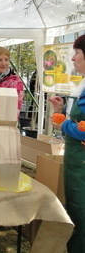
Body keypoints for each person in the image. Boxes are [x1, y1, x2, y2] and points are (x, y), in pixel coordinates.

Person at [49, 34, 85, 253]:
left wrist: (63, 126)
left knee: (81, 214)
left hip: (81, 163)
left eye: (78, 53)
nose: (73, 58)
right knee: (75, 209)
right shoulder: (81, 86)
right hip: (76, 160)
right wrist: (61, 112)